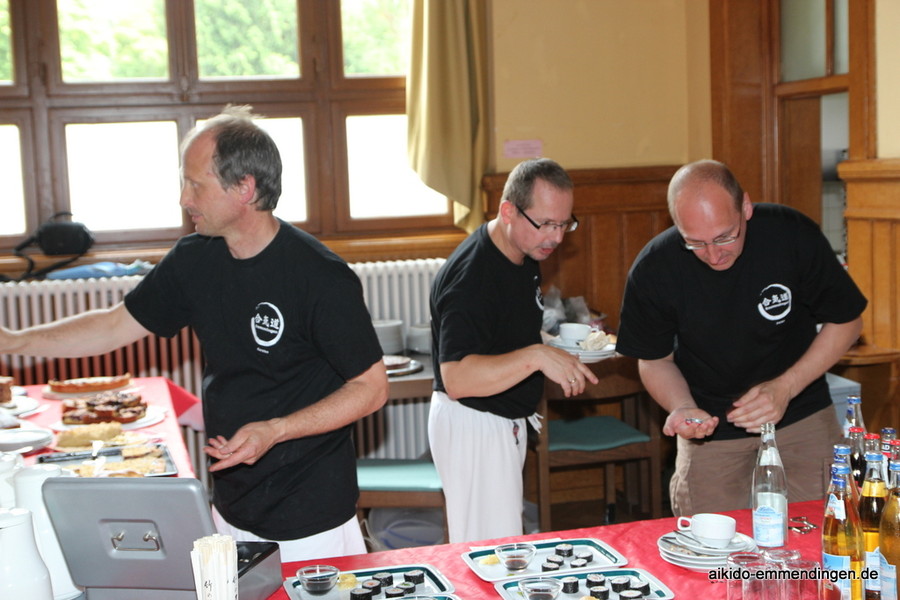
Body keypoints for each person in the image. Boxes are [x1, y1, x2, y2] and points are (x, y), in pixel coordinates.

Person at [0, 105, 389, 561]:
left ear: (244, 188)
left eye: (195, 184)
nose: (184, 198)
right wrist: (12, 340)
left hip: (309, 512)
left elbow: (371, 388)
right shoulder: (195, 258)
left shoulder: (319, 276)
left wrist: (276, 430)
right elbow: (112, 324)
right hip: (231, 499)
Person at [616, 159, 867, 515]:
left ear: (745, 207)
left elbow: (848, 322)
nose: (713, 254)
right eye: (695, 243)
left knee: (825, 528)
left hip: (802, 415)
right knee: (709, 540)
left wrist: (785, 387)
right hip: (710, 430)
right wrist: (682, 406)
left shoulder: (790, 234)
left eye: (725, 237)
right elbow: (654, 360)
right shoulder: (655, 268)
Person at [428, 158, 599, 543]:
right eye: (546, 223)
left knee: (503, 547)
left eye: (564, 224)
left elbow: (503, 330)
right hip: (474, 425)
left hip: (499, 420)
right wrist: (537, 356)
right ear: (508, 211)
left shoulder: (521, 251)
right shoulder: (473, 278)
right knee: (487, 554)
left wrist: (556, 347)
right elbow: (457, 378)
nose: (556, 237)